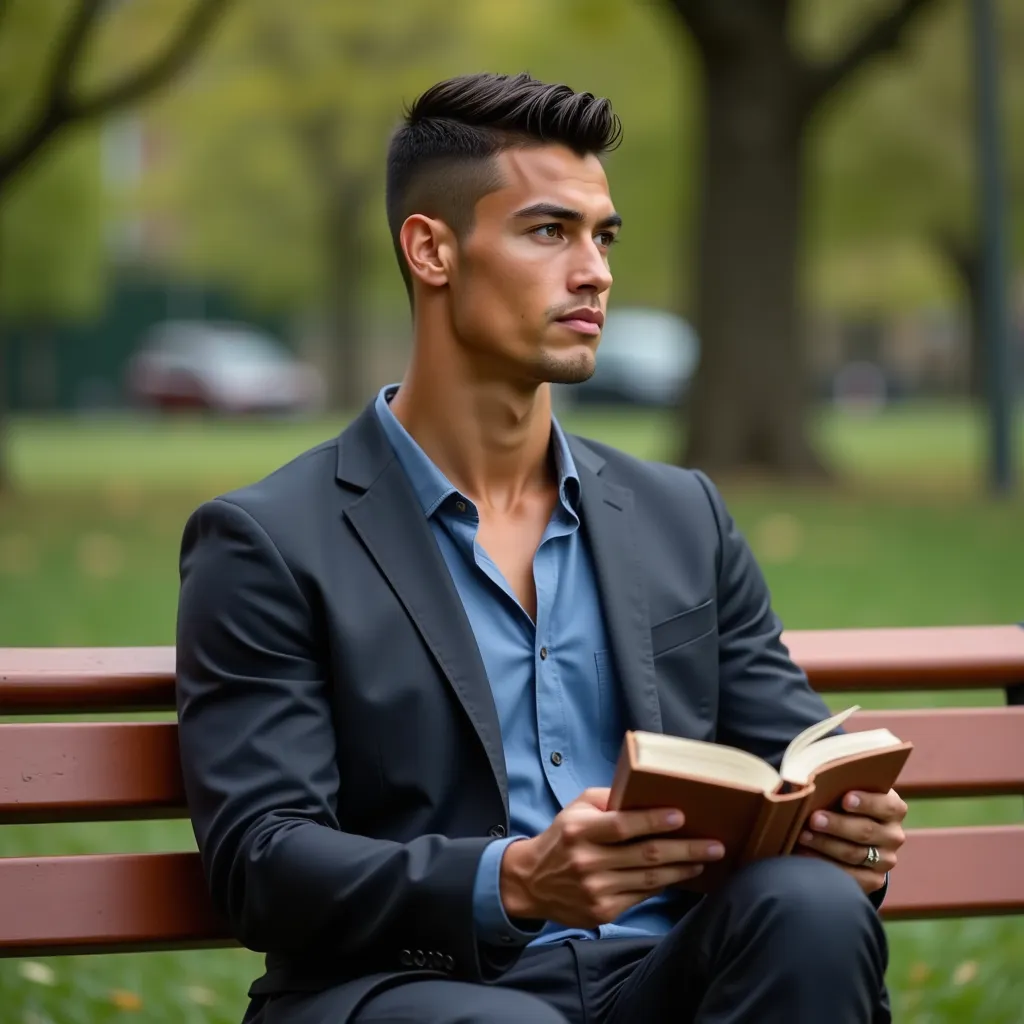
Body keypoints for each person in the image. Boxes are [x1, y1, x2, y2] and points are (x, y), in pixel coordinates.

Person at [175, 71, 908, 1024]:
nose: (595, 270)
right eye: (549, 231)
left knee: (810, 909)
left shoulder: (682, 514)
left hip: (661, 979)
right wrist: (512, 881)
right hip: (416, 990)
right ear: (432, 250)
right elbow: (262, 860)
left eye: (602, 236)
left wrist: (847, 833)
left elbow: (792, 763)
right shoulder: (268, 540)